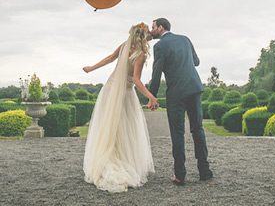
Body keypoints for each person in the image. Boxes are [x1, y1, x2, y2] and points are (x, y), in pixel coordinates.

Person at [82, 23, 158, 193]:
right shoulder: (141, 54)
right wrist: (151, 96)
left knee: (109, 127)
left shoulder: (124, 46)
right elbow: (137, 80)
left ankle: (106, 160)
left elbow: (110, 58)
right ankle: (121, 162)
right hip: (124, 93)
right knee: (125, 129)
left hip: (109, 89)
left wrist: (91, 68)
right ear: (144, 37)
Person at [149, 18, 212, 186]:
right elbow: (196, 62)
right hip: (194, 89)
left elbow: (156, 74)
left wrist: (151, 96)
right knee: (198, 129)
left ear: (161, 28)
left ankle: (180, 175)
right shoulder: (185, 39)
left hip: (176, 93)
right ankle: (204, 171)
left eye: (153, 27)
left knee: (178, 134)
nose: (151, 29)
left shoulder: (159, 46)